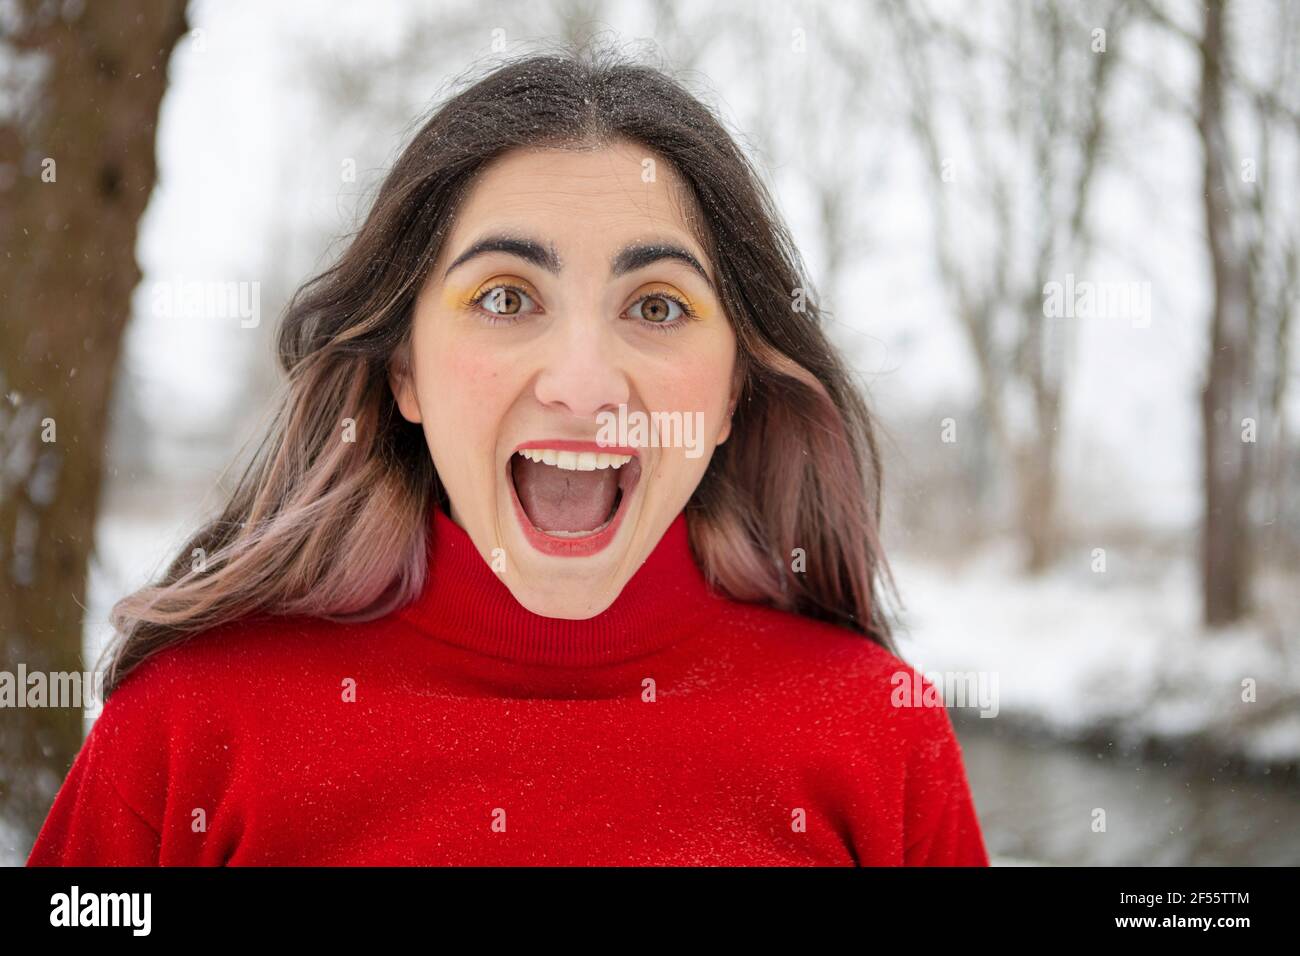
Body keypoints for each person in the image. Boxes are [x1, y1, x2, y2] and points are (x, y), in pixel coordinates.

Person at [27, 47, 989, 866]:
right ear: (405, 369)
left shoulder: (878, 733)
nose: (582, 384)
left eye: (656, 306)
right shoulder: (190, 730)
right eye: (505, 297)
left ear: (734, 389)